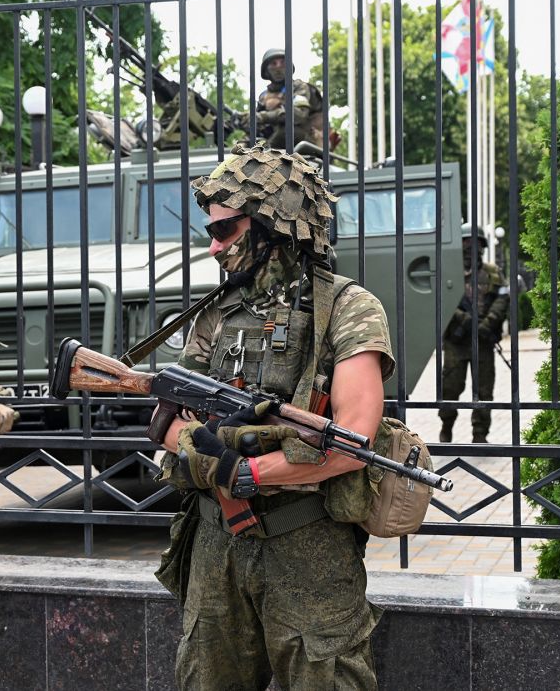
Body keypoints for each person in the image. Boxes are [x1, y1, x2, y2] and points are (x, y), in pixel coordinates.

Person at [155, 144, 394, 688]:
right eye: (209, 233)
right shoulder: (217, 312)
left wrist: (246, 473)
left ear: (272, 227)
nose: (213, 248)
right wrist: (199, 450)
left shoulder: (348, 309)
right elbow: (166, 412)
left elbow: (354, 438)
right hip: (217, 540)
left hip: (307, 546)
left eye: (225, 232)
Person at [439, 223, 509, 444]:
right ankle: (446, 426)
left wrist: (487, 324)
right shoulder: (449, 272)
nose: (471, 249)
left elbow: (503, 298)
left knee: (484, 390)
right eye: (467, 244)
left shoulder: (492, 272)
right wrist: (464, 319)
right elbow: (440, 301)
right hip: (456, 341)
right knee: (450, 387)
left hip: (483, 340)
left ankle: (480, 434)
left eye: (476, 244)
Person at [256, 47, 328, 151]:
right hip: (277, 144)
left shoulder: (300, 87)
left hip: (307, 142)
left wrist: (265, 116)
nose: (278, 67)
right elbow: (258, 124)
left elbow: (299, 115)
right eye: (273, 64)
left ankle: (265, 153)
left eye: (282, 63)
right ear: (266, 70)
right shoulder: (264, 96)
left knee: (287, 131)